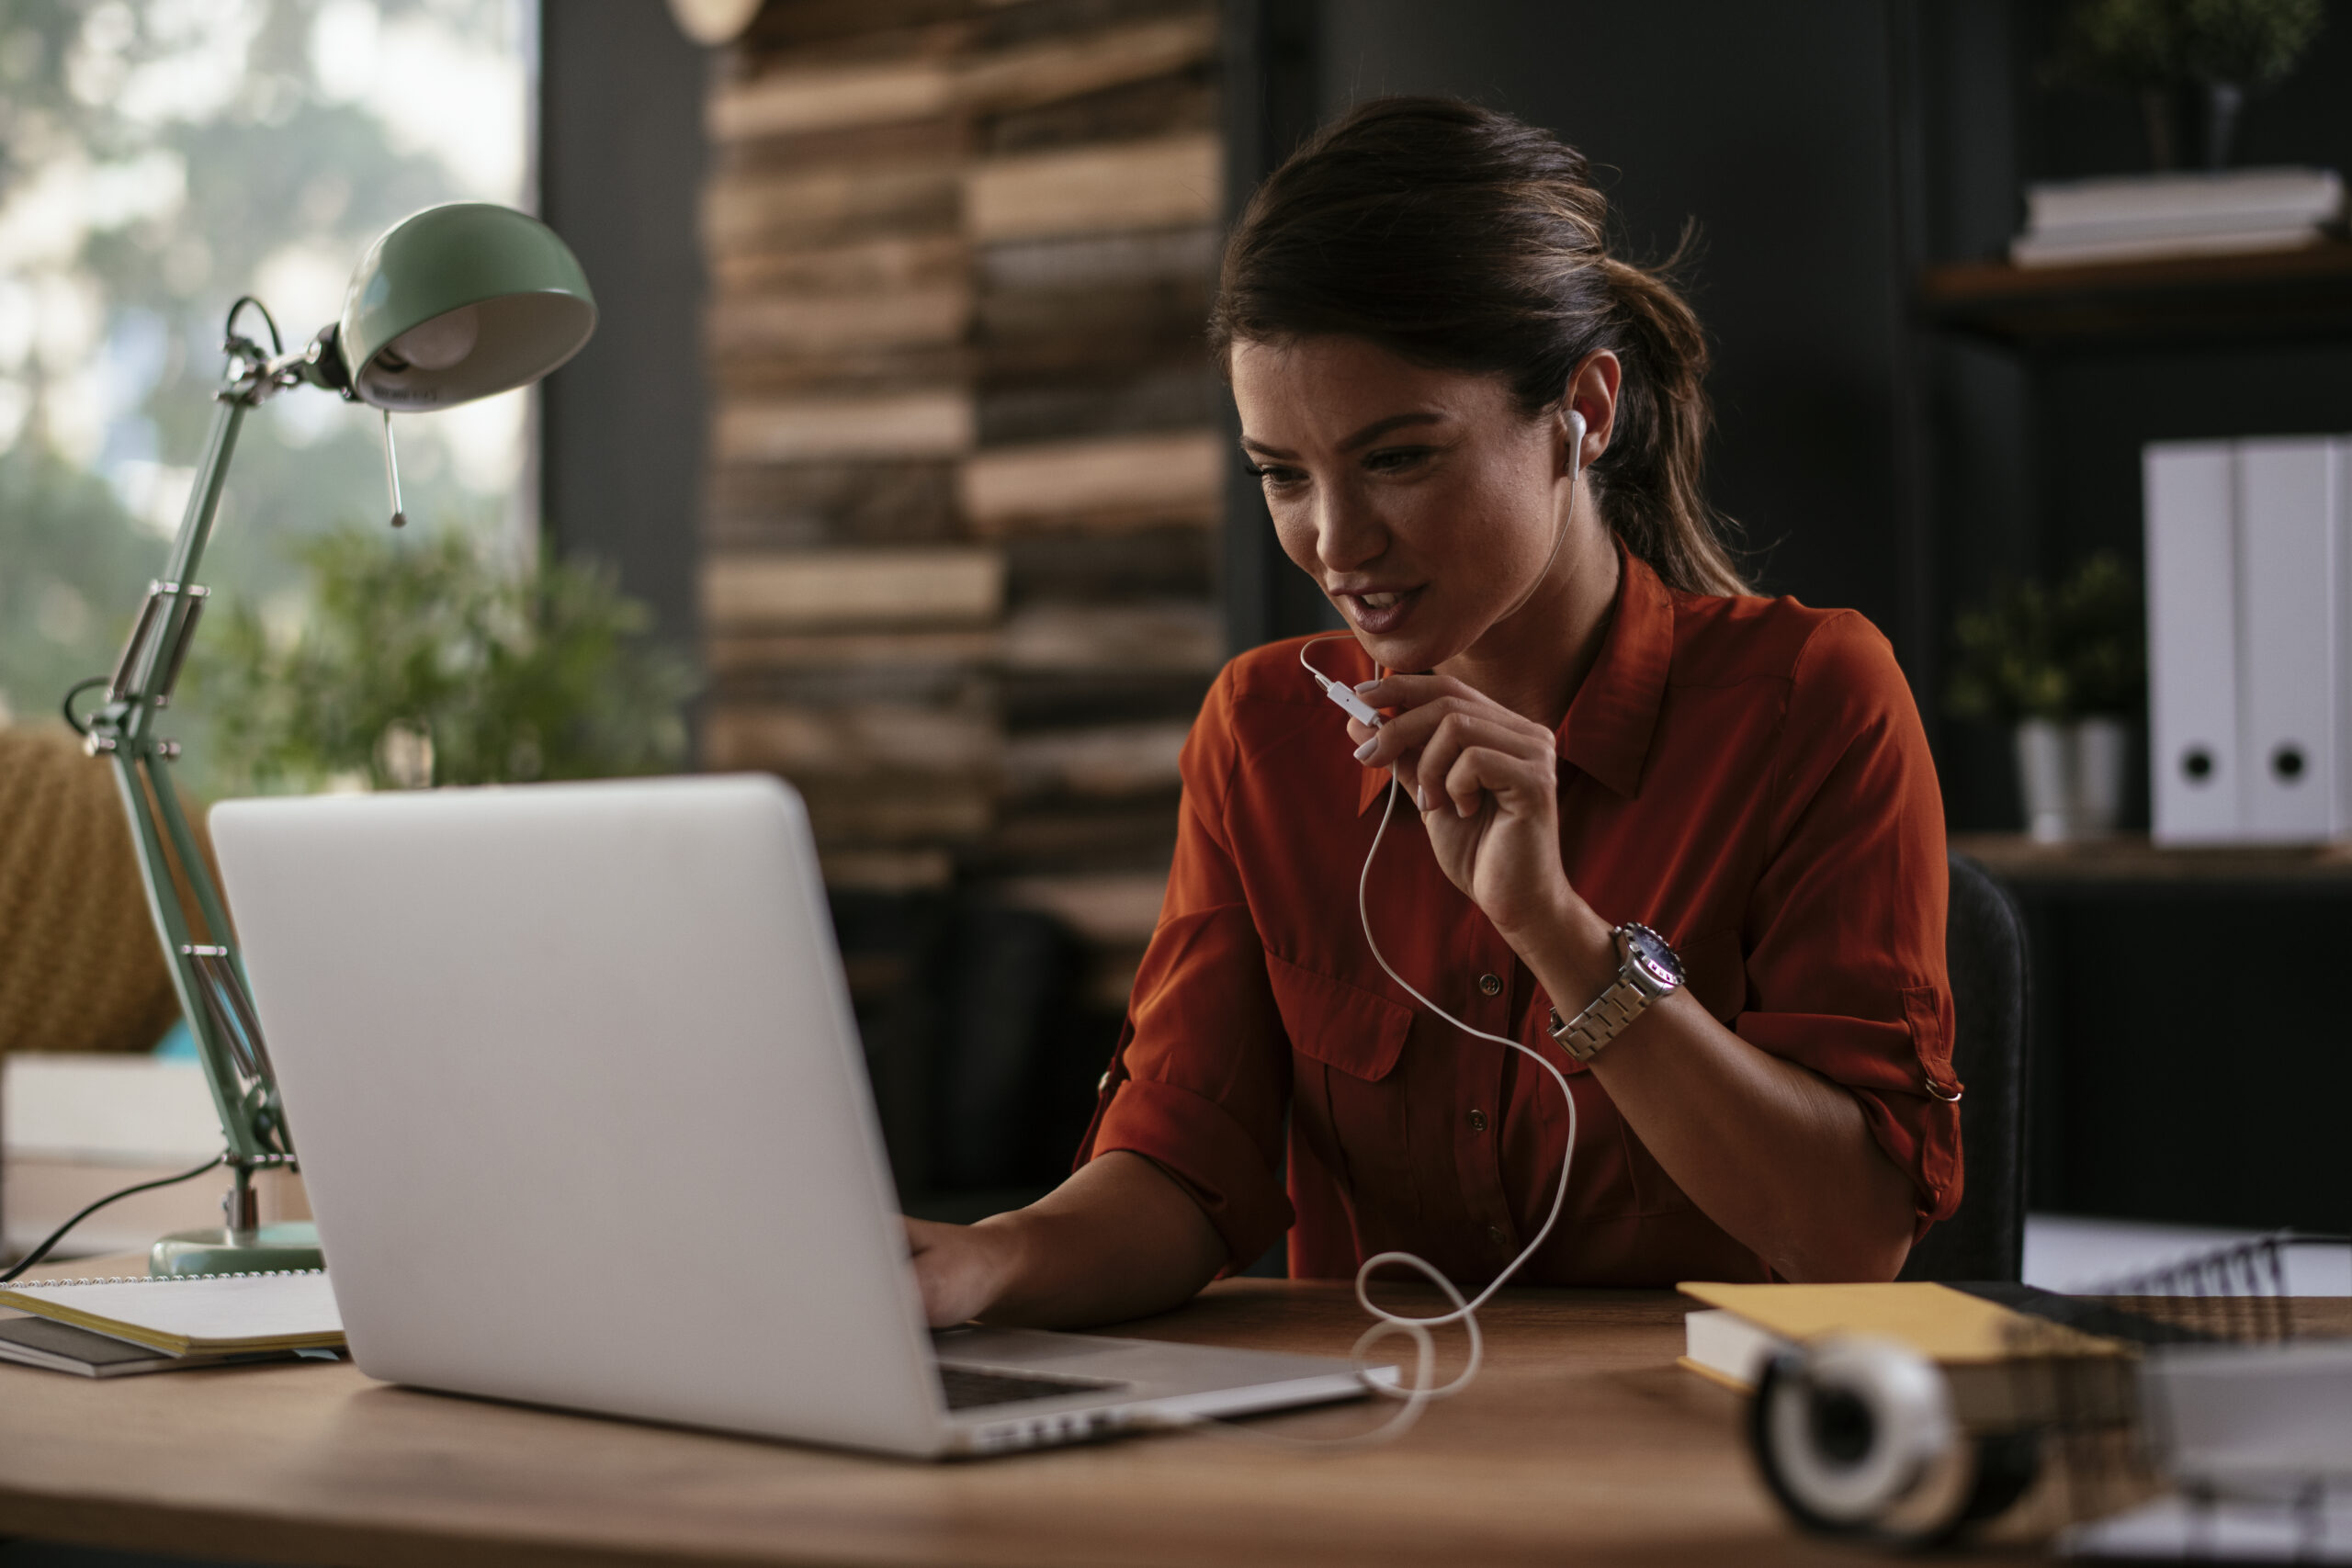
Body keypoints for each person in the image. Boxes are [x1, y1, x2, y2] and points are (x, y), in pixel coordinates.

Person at [907, 97, 1961, 1329]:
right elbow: (1183, 1174)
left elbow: (1852, 1235)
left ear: (1588, 409)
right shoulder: (1263, 736)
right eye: (1283, 476)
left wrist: (1556, 931)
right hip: (1373, 1455)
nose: (1335, 543)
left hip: (1702, 1455)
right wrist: (976, 1267)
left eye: (1400, 458)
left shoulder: (1810, 702)